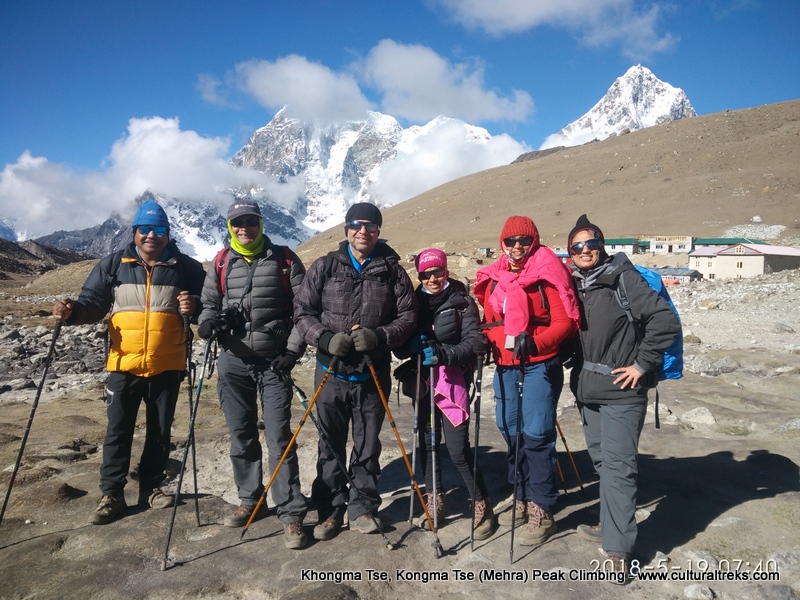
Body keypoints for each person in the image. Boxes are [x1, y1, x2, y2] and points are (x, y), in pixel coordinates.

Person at [52, 199, 205, 525]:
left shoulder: (186, 268)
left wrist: (196, 305)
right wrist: (71, 313)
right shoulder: (113, 265)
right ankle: (112, 494)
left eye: (159, 229)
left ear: (167, 233)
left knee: (160, 431)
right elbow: (92, 303)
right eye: (145, 229)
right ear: (134, 232)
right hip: (124, 363)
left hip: (168, 362)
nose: (152, 235)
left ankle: (151, 487)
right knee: (118, 430)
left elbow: (209, 307)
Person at [293, 202, 417, 541]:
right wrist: (326, 338)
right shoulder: (325, 266)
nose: (363, 231)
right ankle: (330, 509)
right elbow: (302, 312)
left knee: (366, 444)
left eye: (371, 226)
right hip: (330, 371)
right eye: (357, 224)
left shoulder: (392, 271)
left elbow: (408, 318)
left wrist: (379, 336)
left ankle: (362, 506)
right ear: (346, 228)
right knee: (329, 443)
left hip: (372, 372)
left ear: (378, 231)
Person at [567, 214, 681, 579]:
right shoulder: (575, 284)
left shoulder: (623, 279)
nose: (585, 250)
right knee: (602, 462)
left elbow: (664, 321)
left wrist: (642, 364)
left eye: (591, 244)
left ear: (602, 246)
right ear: (570, 252)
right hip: (587, 391)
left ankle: (618, 550)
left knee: (619, 468)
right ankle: (611, 522)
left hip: (622, 392)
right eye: (577, 246)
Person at [197, 199, 309, 550]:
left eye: (250, 221)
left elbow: (305, 310)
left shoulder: (285, 260)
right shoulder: (220, 262)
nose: (244, 227)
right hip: (232, 362)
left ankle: (291, 513)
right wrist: (206, 323)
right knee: (241, 434)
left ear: (261, 223)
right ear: (230, 227)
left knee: (279, 438)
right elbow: (208, 305)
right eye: (237, 223)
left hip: (274, 363)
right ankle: (251, 500)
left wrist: (291, 352)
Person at [473, 215, 580, 546]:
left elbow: (564, 322)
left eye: (524, 241)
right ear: (502, 243)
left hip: (538, 365)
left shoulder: (547, 272)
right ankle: (519, 493)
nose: (517, 247)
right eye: (511, 241)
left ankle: (542, 508)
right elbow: (490, 321)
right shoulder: (495, 277)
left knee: (536, 436)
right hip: (504, 366)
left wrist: (536, 343)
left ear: (534, 241)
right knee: (510, 430)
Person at [395, 248, 496, 540]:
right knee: (426, 444)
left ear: (446, 271)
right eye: (426, 274)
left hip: (453, 384)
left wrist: (443, 354)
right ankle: (433, 497)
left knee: (457, 449)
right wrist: (410, 345)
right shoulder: (412, 303)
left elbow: (476, 344)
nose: (432, 278)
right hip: (422, 384)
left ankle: (481, 502)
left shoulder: (462, 302)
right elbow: (399, 344)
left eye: (437, 272)